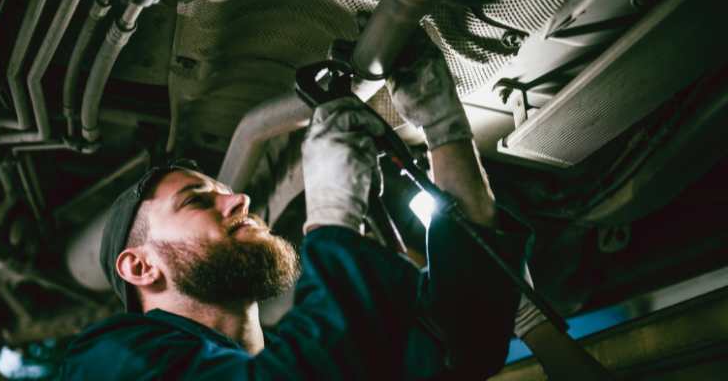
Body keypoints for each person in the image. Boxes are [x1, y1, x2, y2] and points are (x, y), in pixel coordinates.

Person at [60, 43, 529, 380]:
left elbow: (467, 340)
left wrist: (444, 130)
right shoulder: (106, 361)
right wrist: (333, 218)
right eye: (196, 201)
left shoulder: (323, 351)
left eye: (225, 192)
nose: (239, 199)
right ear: (139, 266)